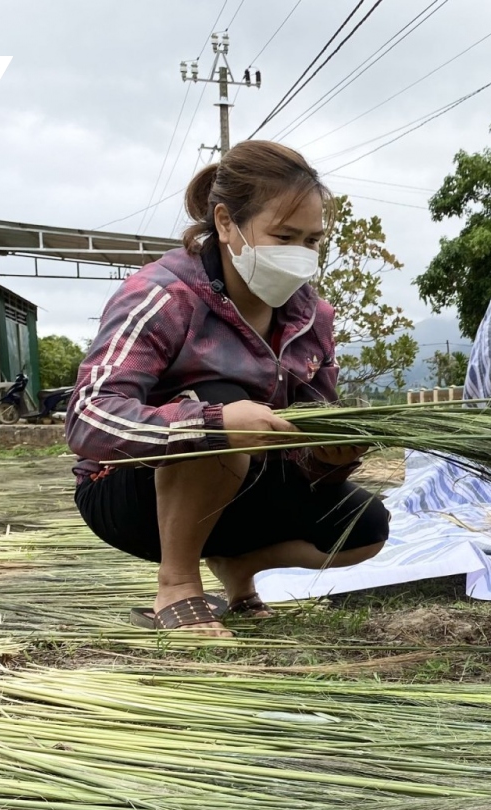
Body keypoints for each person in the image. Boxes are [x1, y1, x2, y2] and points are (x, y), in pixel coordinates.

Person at [65, 141, 389, 637]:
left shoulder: (311, 317)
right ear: (224, 223)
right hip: (130, 495)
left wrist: (328, 455)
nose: (299, 256)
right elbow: (87, 416)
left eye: (312, 241)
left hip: (242, 489)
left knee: (364, 526)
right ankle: (177, 584)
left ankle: (238, 572)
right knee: (214, 414)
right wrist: (212, 424)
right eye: (283, 236)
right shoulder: (164, 294)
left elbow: (303, 433)